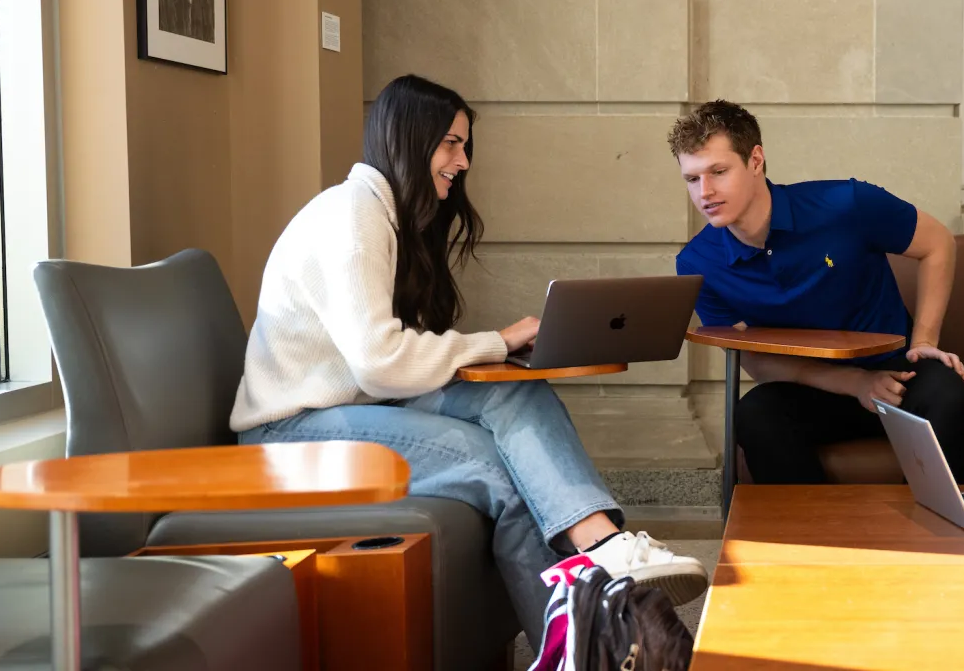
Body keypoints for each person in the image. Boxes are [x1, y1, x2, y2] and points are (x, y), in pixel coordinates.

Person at [229, 74, 708, 636]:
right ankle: (578, 640)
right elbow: (380, 362)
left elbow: (384, 360)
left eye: (464, 145)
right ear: (409, 139)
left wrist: (501, 354)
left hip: (354, 407)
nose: (462, 161)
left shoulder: (383, 215)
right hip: (289, 433)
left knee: (515, 391)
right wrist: (497, 341)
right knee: (496, 468)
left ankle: (603, 545)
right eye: (450, 143)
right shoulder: (352, 215)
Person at [668, 100, 964, 483]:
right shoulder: (698, 263)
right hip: (815, 388)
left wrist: (925, 340)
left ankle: (936, 522)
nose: (705, 192)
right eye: (692, 179)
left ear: (755, 160)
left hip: (900, 374)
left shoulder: (847, 204)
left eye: (718, 172)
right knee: (756, 413)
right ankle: (810, 523)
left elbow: (938, 243)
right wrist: (856, 383)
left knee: (949, 395)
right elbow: (755, 362)